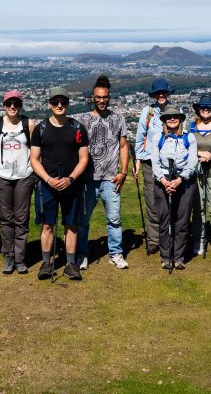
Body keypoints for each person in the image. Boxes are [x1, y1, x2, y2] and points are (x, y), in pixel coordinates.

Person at [29, 86, 89, 281]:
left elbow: (84, 158)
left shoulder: (78, 128)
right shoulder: (41, 129)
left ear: (68, 104)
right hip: (47, 185)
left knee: (71, 225)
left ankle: (70, 264)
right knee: (47, 224)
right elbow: (34, 159)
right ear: (49, 105)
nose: (59, 105)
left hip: (71, 185)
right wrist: (47, 179)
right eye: (55, 102)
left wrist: (70, 179)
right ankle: (47, 263)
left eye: (63, 101)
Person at [74, 76, 130, 270]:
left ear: (109, 97)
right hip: (87, 179)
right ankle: (82, 254)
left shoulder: (118, 118)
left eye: (104, 97)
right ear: (92, 97)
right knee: (83, 220)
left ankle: (116, 253)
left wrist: (123, 172)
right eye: (98, 97)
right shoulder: (83, 119)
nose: (101, 100)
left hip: (110, 178)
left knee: (114, 219)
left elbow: (123, 147)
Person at [0, 90, 36, 275]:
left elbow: (35, 149)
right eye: (9, 104)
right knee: (6, 219)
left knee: (21, 219)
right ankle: (8, 256)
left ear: (21, 105)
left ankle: (20, 258)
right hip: (3, 177)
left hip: (24, 176)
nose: (13, 107)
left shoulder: (29, 124)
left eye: (16, 103)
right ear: (4, 106)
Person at [150, 108, 198, 270]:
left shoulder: (189, 137)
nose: (172, 119)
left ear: (180, 119)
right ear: (164, 120)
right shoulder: (158, 137)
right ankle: (165, 256)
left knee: (182, 221)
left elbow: (192, 163)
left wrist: (179, 180)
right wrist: (164, 181)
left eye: (175, 117)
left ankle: (178, 257)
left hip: (184, 182)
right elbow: (154, 163)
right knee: (164, 219)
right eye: (168, 117)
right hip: (162, 181)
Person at [134, 78, 173, 254]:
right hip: (150, 162)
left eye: (164, 92)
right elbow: (140, 137)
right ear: (154, 95)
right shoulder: (148, 112)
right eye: (158, 93)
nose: (161, 95)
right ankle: (153, 240)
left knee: (170, 201)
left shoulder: (175, 111)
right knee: (151, 201)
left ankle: (170, 237)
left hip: (170, 163)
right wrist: (137, 162)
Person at [187, 95, 211, 258]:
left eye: (208, 107)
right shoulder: (190, 126)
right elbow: (184, 146)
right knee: (198, 208)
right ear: (198, 109)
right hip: (195, 173)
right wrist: (197, 153)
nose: (205, 110)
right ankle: (199, 239)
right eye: (202, 107)